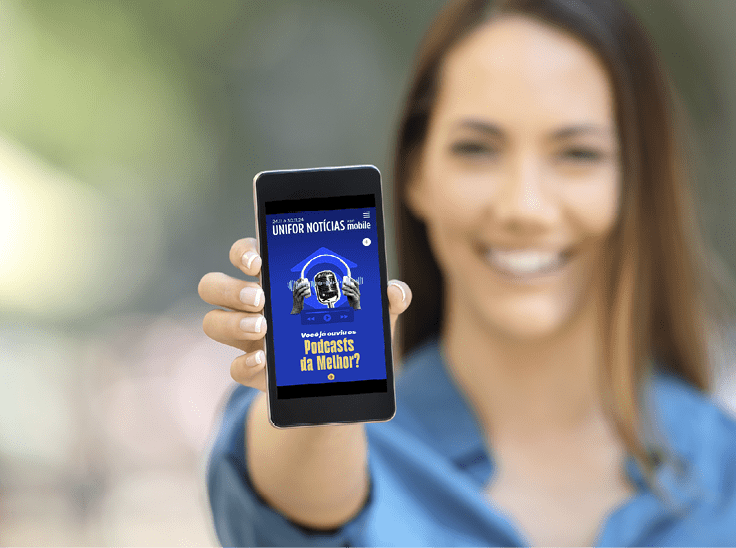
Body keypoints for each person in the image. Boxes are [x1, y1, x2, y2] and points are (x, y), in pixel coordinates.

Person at [197, 0, 736, 545]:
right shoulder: (343, 444)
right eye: (476, 149)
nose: (524, 206)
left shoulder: (723, 467)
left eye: (578, 153)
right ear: (415, 174)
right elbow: (299, 500)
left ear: (636, 181)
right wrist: (317, 378)